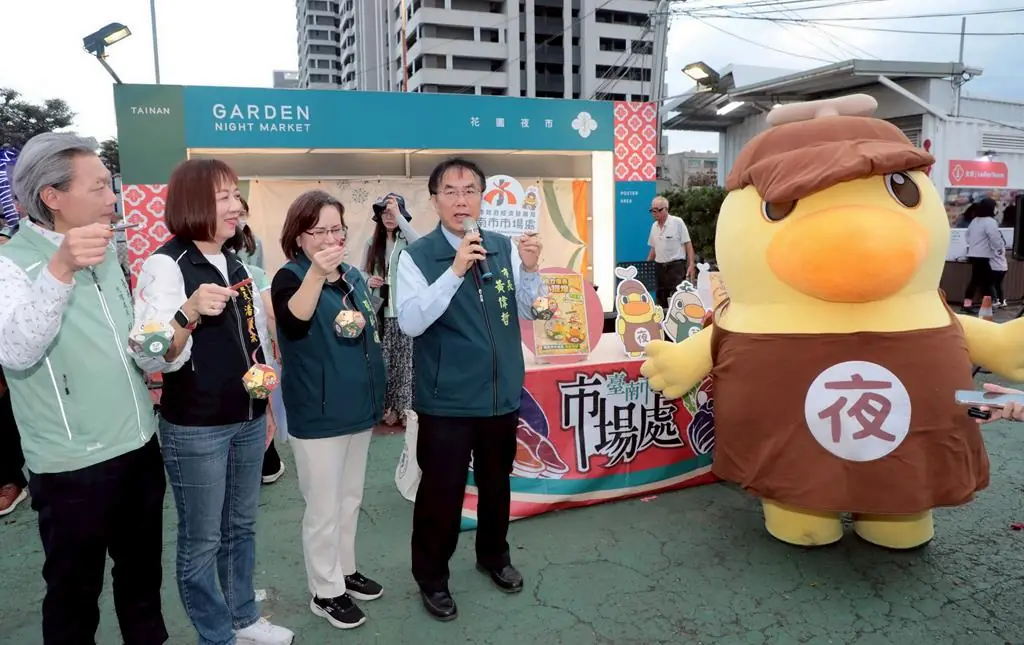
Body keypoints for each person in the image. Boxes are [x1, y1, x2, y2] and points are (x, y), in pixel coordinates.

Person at [2, 132, 168, 644]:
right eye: (98, 187)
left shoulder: (106, 250)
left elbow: (133, 343)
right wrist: (61, 268)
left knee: (142, 582)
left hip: (140, 445)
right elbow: (16, 349)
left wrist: (163, 337)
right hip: (72, 467)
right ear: (52, 197)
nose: (112, 197)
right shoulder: (12, 264)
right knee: (74, 596)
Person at [134, 158, 293, 645]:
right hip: (197, 426)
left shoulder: (236, 261)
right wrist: (185, 312)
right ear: (193, 203)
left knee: (240, 526)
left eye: (234, 195)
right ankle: (215, 634)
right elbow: (148, 353)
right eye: (222, 196)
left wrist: (264, 399)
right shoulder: (167, 263)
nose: (235, 205)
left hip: (245, 419)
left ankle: (243, 620)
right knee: (201, 540)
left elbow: (251, 339)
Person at [396, 158, 545, 621]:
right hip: (447, 401)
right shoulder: (416, 257)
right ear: (435, 198)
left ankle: (493, 556)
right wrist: (456, 270)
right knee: (441, 492)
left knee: (498, 484)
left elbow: (528, 310)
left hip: (501, 397)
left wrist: (532, 270)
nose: (461, 200)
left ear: (482, 196)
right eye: (451, 191)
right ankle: (432, 578)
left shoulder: (500, 246)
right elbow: (411, 320)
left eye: (469, 191)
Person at [271, 189, 386, 630]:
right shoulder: (291, 277)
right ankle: (325, 590)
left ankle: (345, 568)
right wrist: (317, 275)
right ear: (300, 236)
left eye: (337, 228)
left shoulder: (352, 276)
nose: (331, 237)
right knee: (322, 505)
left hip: (358, 407)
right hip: (318, 414)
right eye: (320, 230)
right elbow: (295, 324)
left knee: (350, 498)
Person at [362, 193, 420, 426]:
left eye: (393, 213)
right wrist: (369, 281)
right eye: (384, 213)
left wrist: (401, 218)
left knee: (405, 363)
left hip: (405, 311)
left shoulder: (408, 241)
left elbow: (422, 245)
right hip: (380, 312)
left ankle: (406, 409)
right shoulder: (371, 243)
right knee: (384, 363)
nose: (389, 217)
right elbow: (361, 273)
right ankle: (388, 409)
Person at [647, 195, 695, 309]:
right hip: (659, 267)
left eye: (658, 210)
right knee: (661, 299)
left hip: (675, 267)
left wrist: (691, 264)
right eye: (653, 210)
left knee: (677, 298)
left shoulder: (677, 222)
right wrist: (647, 264)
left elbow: (688, 243)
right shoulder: (654, 226)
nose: (655, 213)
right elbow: (654, 248)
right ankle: (661, 324)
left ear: (666, 209)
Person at [963, 198, 1004, 311]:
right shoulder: (990, 222)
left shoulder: (975, 220)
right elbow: (995, 237)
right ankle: (987, 307)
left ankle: (967, 304)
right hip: (983, 256)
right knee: (988, 282)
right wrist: (998, 248)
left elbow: (968, 236)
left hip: (973, 254)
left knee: (975, 280)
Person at [236, 197, 265, 269]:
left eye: (241, 214)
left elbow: (260, 273)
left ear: (247, 215)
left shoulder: (255, 242)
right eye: (233, 213)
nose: (237, 219)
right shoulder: (219, 242)